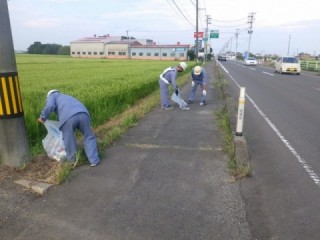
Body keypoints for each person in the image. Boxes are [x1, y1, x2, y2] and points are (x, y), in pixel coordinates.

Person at [38, 90, 100, 167]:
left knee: (69, 140)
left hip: (68, 117)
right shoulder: (65, 96)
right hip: (83, 113)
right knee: (89, 136)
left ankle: (72, 162)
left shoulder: (52, 96)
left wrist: (43, 116)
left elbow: (50, 106)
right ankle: (94, 160)